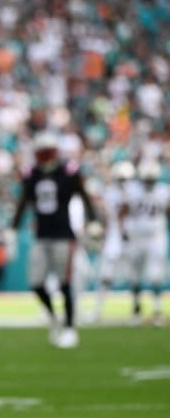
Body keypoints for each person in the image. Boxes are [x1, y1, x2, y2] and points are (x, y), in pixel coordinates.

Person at [11, 131, 97, 348]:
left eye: (48, 153)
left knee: (64, 283)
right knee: (36, 283)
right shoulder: (33, 175)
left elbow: (84, 195)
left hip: (63, 235)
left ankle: (69, 326)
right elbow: (24, 201)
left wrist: (94, 219)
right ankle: (53, 316)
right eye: (42, 153)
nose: (45, 158)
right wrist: (12, 228)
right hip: (41, 235)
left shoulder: (68, 172)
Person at [122, 160, 169, 326]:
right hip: (137, 236)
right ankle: (136, 308)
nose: (149, 183)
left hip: (156, 236)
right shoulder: (132, 190)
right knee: (134, 274)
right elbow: (124, 212)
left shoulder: (164, 191)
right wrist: (125, 231)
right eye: (147, 180)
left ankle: (157, 310)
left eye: (152, 180)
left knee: (156, 275)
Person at [91, 160, 135, 322]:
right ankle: (98, 310)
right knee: (105, 275)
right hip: (115, 235)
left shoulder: (135, 191)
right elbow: (107, 216)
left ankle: (136, 310)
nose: (124, 183)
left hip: (132, 235)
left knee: (134, 276)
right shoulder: (110, 192)